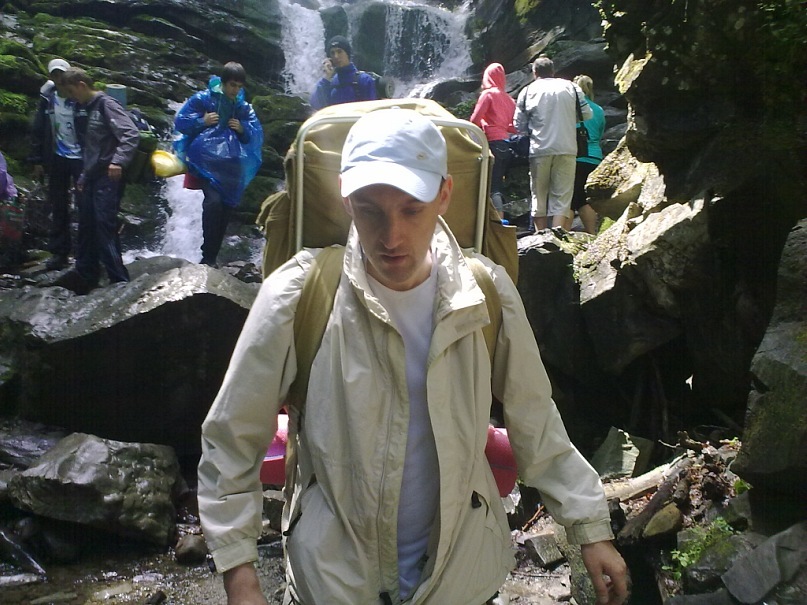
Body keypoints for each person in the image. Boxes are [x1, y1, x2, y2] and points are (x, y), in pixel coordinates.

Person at [197, 107, 628, 605]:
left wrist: (589, 527)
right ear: (345, 197)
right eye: (370, 210)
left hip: (460, 581)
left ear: (444, 194)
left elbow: (535, 418)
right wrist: (240, 574)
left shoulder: (485, 292)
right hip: (333, 585)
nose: (391, 236)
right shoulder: (299, 293)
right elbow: (233, 435)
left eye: (411, 209)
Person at [173, 62, 263, 267]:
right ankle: (207, 255)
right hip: (206, 164)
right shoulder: (203, 100)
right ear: (222, 83)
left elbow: (254, 135)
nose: (235, 90)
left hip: (232, 168)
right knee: (213, 203)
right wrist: (201, 121)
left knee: (226, 209)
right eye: (232, 85)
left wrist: (242, 129)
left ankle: (211, 257)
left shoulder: (242, 108)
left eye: (239, 86)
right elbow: (181, 122)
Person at [58, 67, 137, 294]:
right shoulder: (82, 108)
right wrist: (84, 175)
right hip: (92, 175)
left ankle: (118, 279)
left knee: (104, 224)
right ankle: (86, 273)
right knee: (86, 223)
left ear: (82, 85)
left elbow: (130, 133)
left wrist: (118, 162)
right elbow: (89, 148)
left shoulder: (106, 104)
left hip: (108, 175)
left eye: (72, 91)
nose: (71, 97)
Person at [514, 56, 592, 232]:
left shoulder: (527, 91)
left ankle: (541, 235)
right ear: (553, 71)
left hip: (539, 149)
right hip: (567, 147)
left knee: (539, 194)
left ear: (534, 73)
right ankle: (557, 234)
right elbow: (587, 114)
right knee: (562, 194)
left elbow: (518, 124)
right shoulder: (571, 87)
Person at [28, 58, 84, 270]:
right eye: (55, 74)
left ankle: (85, 254)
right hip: (57, 157)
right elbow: (38, 129)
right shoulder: (48, 98)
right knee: (58, 204)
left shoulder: (80, 97)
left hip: (81, 159)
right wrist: (37, 160)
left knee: (84, 204)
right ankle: (59, 252)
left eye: (62, 73)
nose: (59, 77)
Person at [469, 62, 517, 218]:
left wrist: (484, 126)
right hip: (506, 145)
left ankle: (498, 221)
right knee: (497, 185)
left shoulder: (488, 95)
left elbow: (474, 120)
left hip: (492, 144)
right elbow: (513, 127)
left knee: (491, 187)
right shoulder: (509, 99)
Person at [571, 75, 606, 235]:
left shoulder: (572, 108)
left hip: (576, 156)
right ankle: (592, 234)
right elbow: (599, 134)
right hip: (595, 158)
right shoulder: (598, 110)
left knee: (570, 200)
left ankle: (563, 235)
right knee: (585, 199)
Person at [309, 35, 378, 110]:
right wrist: (326, 78)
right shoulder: (329, 83)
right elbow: (315, 105)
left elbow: (372, 110)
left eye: (339, 51)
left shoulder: (364, 80)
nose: (336, 56)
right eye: (332, 53)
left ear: (347, 53)